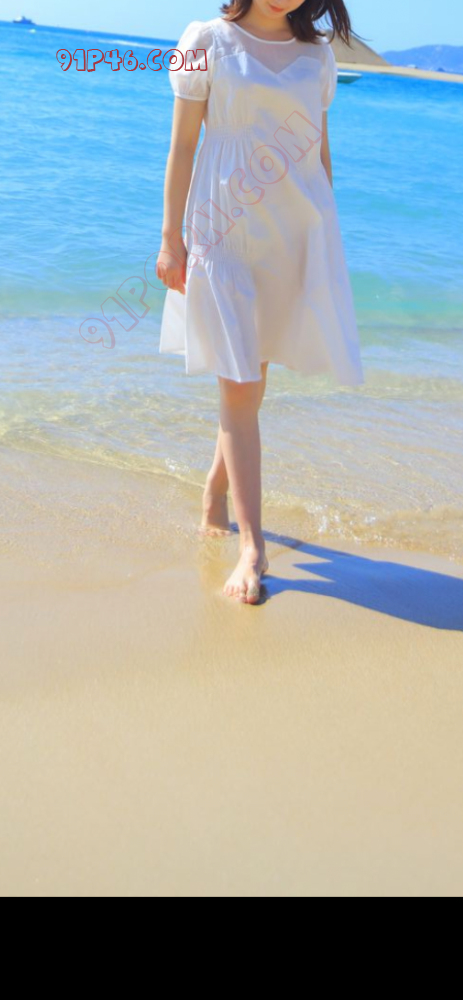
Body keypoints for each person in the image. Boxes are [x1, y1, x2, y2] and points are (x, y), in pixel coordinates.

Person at [156, 1, 365, 604]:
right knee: (241, 383)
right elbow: (183, 145)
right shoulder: (203, 40)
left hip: (293, 231)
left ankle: (215, 492)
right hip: (222, 230)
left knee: (255, 375)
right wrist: (170, 238)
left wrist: (324, 239)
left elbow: (319, 153)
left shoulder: (317, 56)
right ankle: (253, 546)